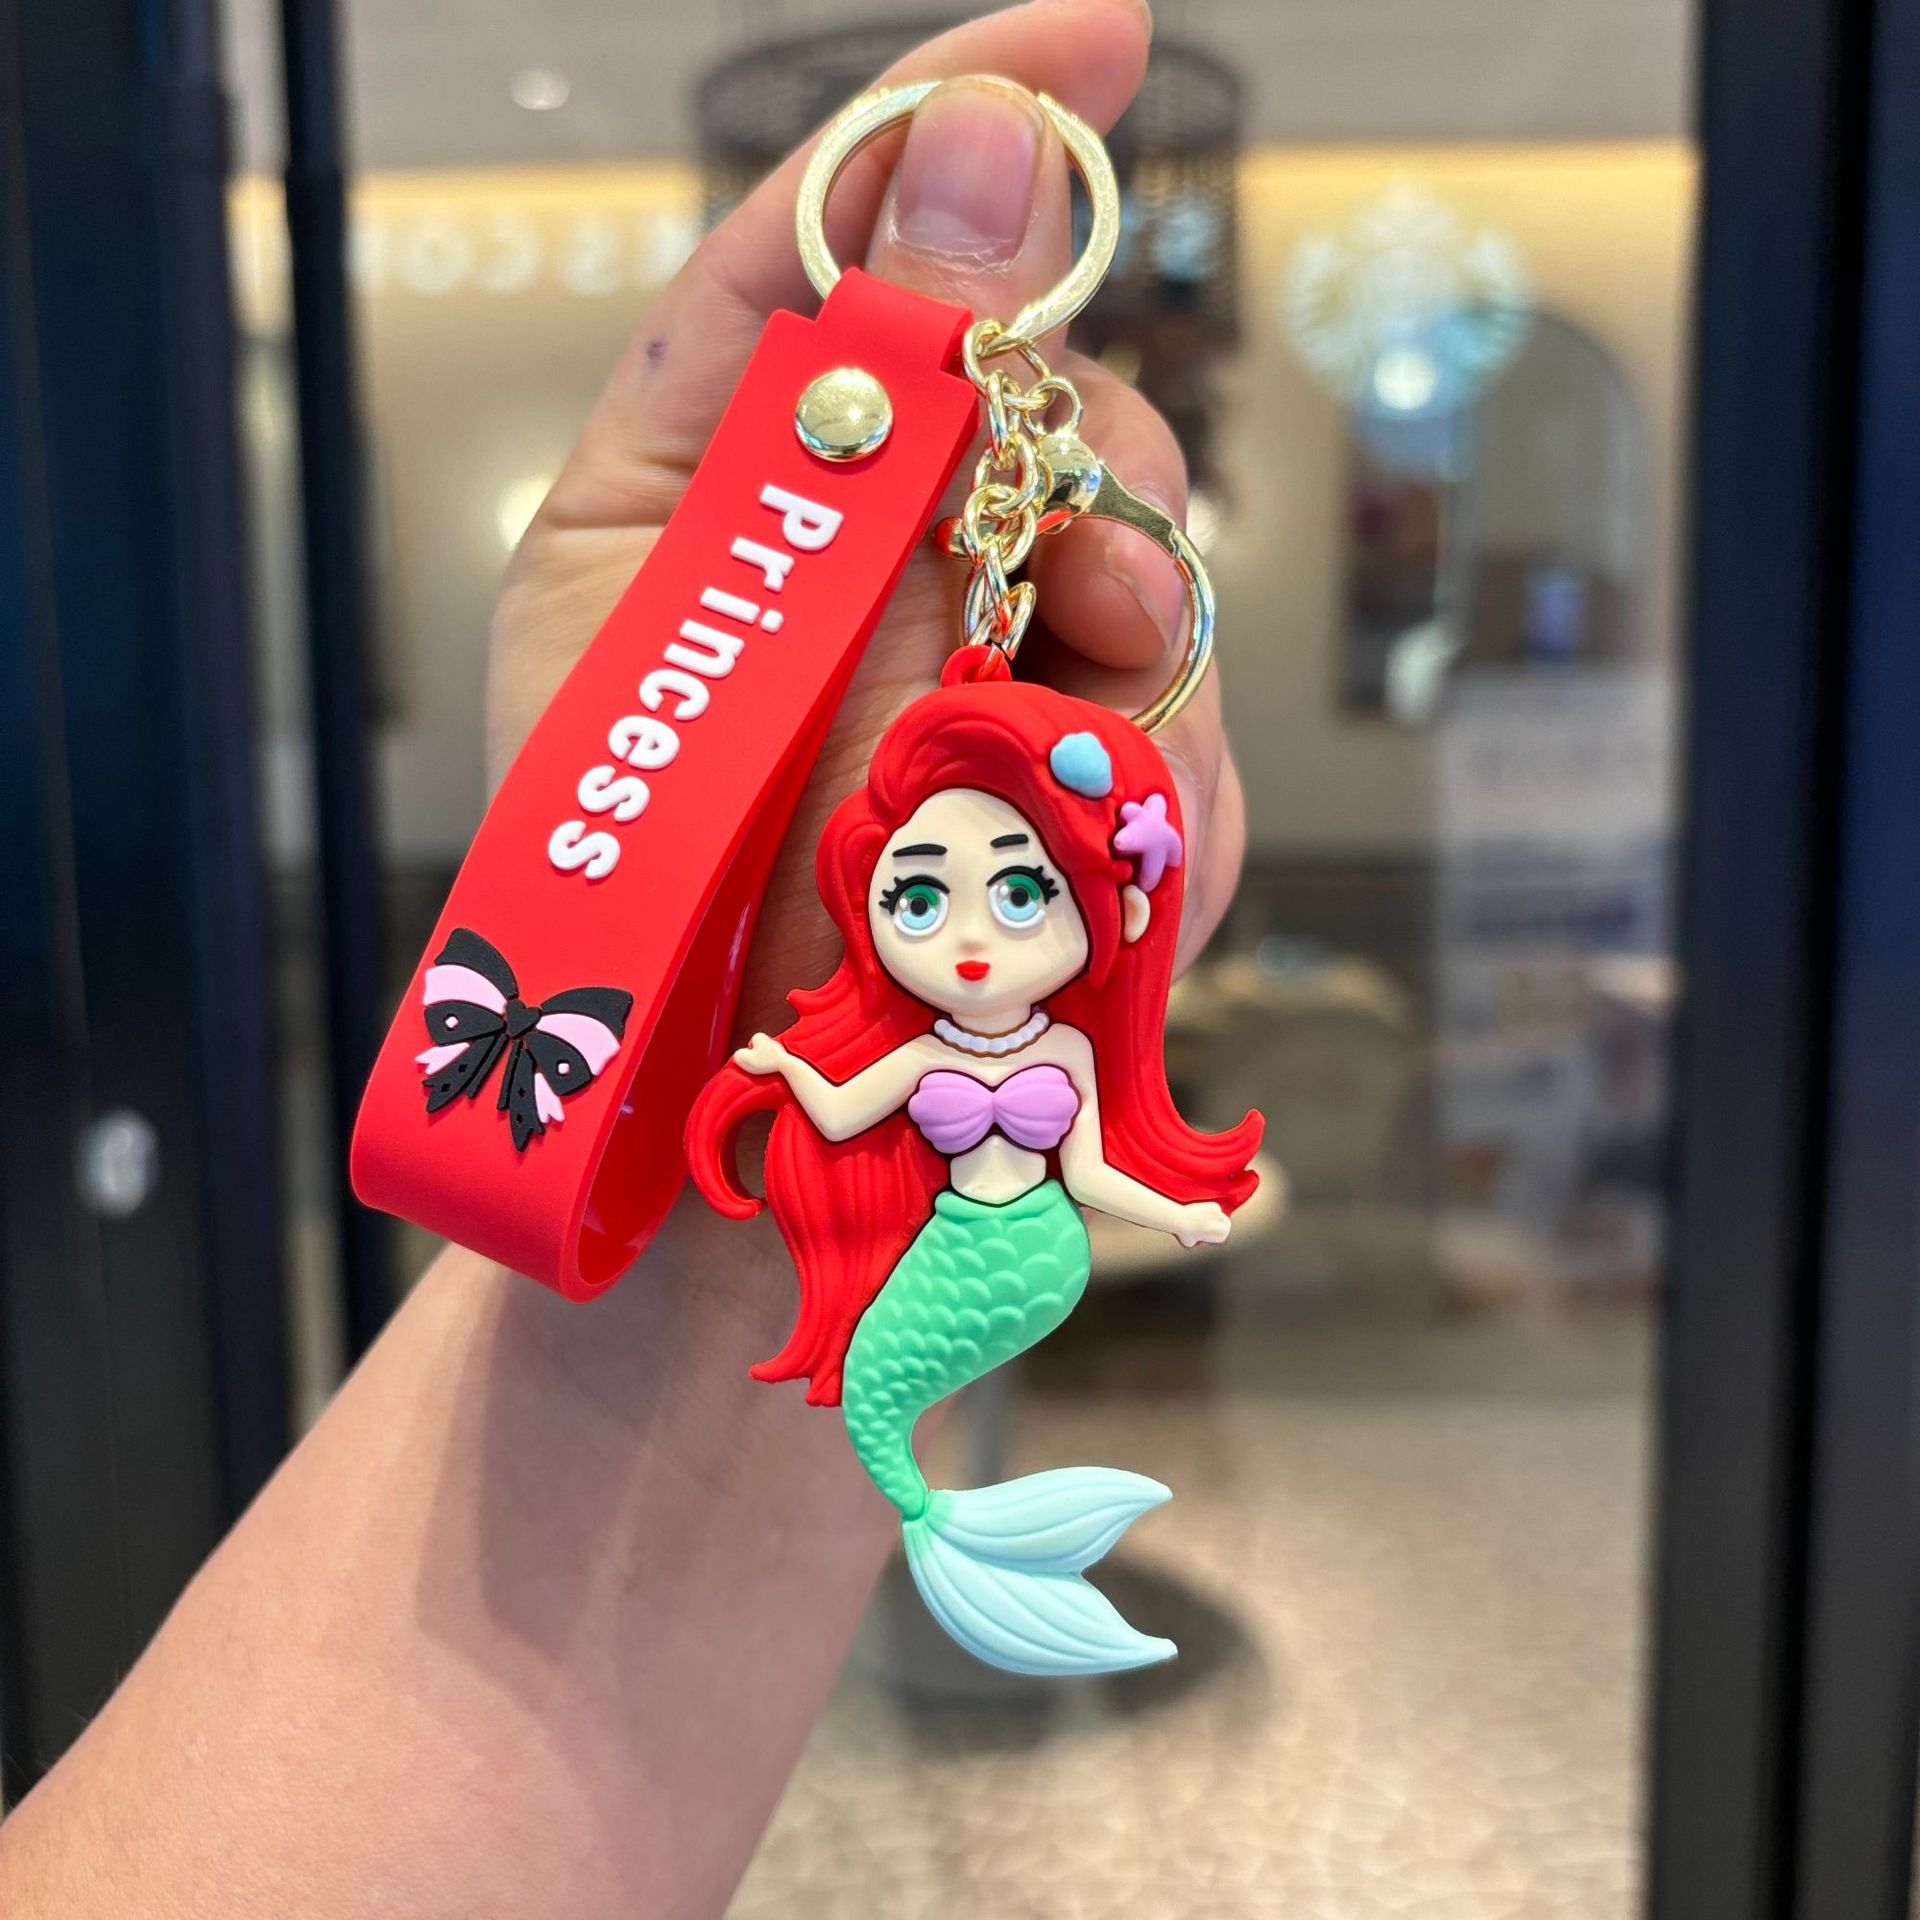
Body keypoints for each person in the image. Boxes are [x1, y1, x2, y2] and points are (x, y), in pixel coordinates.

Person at [0, 3, 1249, 1912]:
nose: (969, 927)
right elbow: (839, 1079)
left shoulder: (1032, 1021)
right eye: (920, 895)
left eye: (1015, 895)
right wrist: (787, 1055)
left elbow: (1006, 1109)